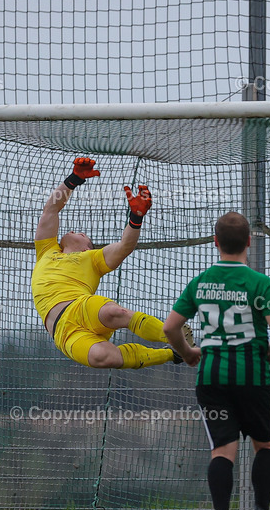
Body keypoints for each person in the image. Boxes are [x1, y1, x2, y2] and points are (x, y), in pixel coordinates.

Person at [164, 212, 270, 510]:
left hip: (212, 377)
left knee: (222, 449)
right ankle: (261, 509)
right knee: (264, 445)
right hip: (252, 377)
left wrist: (188, 352)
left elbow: (169, 327)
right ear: (249, 241)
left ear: (215, 241)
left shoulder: (201, 283)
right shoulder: (260, 284)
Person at [31, 157, 191, 370]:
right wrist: (74, 179)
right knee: (105, 358)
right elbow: (51, 210)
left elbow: (125, 246)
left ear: (87, 247)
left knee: (113, 313)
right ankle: (173, 354)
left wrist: (136, 217)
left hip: (81, 307)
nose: (73, 230)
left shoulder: (93, 258)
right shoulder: (46, 250)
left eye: (81, 233)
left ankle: (173, 335)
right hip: (63, 332)